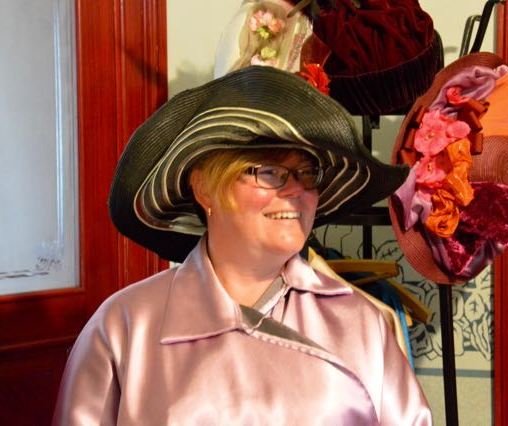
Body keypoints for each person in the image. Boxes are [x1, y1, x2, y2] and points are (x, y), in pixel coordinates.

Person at [53, 65, 432, 425]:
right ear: (204, 187)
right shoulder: (126, 327)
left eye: (308, 173)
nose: (296, 190)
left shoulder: (360, 322)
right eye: (270, 172)